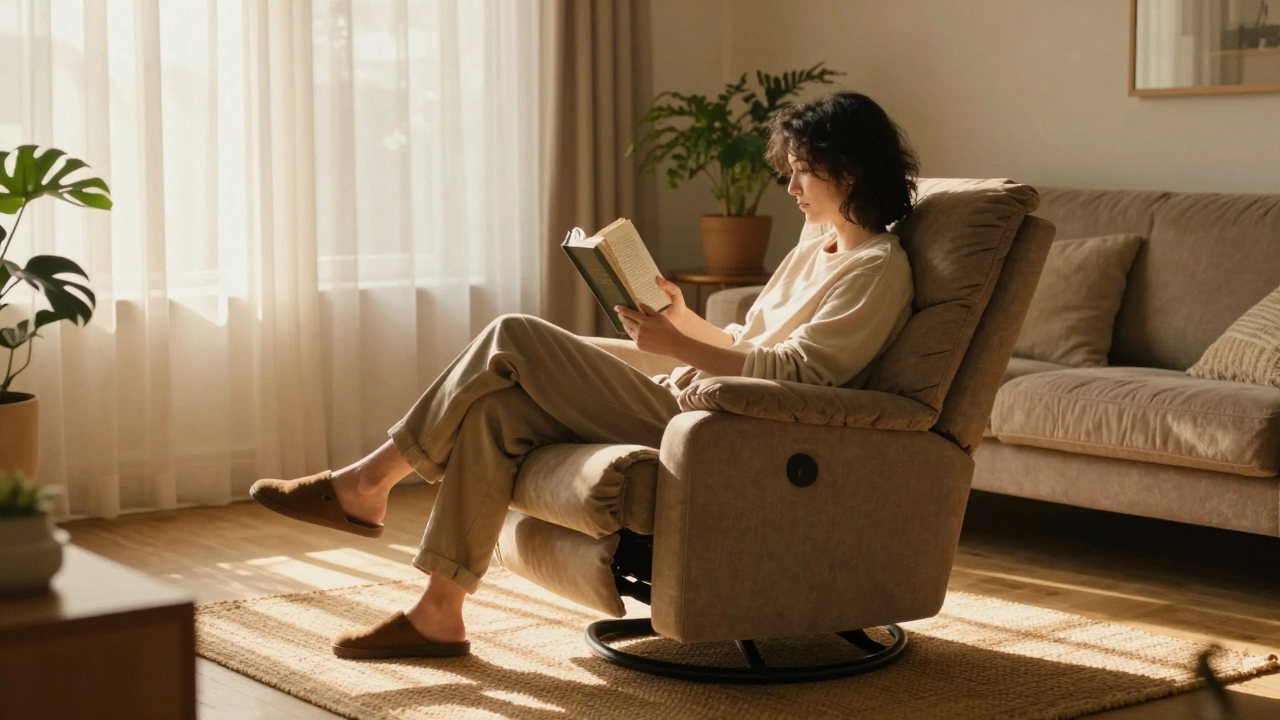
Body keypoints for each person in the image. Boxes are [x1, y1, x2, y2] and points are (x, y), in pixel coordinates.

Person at [249, 91, 920, 659]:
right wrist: (682, 323)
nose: (792, 186)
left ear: (851, 170)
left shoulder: (878, 268)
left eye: (804, 171)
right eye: (792, 170)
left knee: (513, 335)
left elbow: (799, 376)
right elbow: (748, 343)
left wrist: (679, 348)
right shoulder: (818, 247)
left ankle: (368, 482)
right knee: (496, 414)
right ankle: (437, 615)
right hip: (691, 401)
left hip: (731, 430)